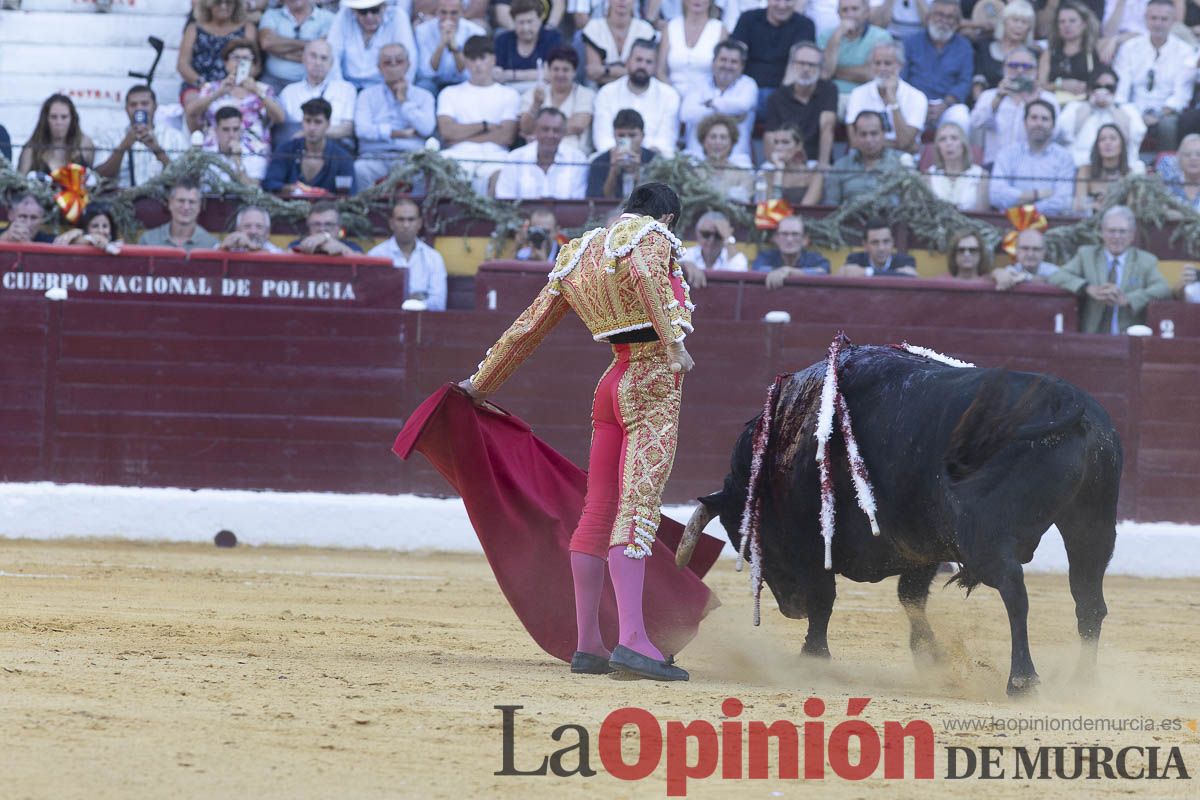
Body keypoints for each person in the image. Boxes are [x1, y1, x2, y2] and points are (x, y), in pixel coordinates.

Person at [457, 182, 694, 682]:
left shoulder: (580, 252)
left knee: (598, 510)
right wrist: (673, 344)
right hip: (651, 381)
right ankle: (632, 639)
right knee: (637, 508)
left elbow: (528, 327)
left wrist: (481, 384)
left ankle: (589, 643)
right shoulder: (653, 237)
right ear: (669, 218)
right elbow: (651, 274)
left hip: (610, 383)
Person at [1049, 205, 1172, 333]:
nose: (1116, 236)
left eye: (1122, 231)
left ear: (1132, 235)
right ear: (1102, 233)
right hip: (1092, 335)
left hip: (1128, 337)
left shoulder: (1145, 260)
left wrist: (1129, 299)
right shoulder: (1086, 255)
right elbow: (1057, 276)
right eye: (1111, 231)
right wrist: (1087, 288)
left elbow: (1163, 289)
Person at [186, 39, 286, 182]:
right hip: (215, 147)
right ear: (226, 63)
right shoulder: (212, 88)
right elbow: (191, 112)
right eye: (235, 58)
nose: (240, 62)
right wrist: (218, 93)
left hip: (253, 150)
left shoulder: (263, 89)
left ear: (254, 65)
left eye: (246, 58)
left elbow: (280, 118)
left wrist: (257, 92)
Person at [437, 35, 521, 193]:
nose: (477, 64)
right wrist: (485, 126)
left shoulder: (509, 94)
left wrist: (461, 134)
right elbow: (447, 132)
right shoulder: (449, 93)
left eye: (482, 58)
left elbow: (506, 137)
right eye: (472, 59)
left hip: (496, 155)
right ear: (466, 61)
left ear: (493, 60)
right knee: (443, 170)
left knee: (503, 177)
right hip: (458, 154)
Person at [1112, 0, 1194, 152]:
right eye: (1153, 18)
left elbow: (1181, 94)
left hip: (1166, 112)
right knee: (1120, 120)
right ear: (1145, 19)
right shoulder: (1129, 48)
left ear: (1173, 21)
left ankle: (1166, 170)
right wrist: (1132, 113)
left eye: (1164, 19)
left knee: (1168, 125)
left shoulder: (1185, 52)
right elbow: (1121, 90)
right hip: (1133, 109)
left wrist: (1159, 114)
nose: (1158, 23)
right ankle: (1128, 168)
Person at [354, 45, 438, 193]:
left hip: (411, 157)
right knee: (360, 169)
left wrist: (404, 102)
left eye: (398, 61)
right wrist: (399, 133)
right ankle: (365, 213)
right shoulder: (366, 95)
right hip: (375, 156)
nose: (393, 66)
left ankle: (414, 215)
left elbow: (426, 128)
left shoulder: (424, 96)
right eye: (387, 62)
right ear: (379, 67)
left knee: (422, 170)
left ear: (408, 65)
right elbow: (362, 130)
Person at [968, 46, 1058, 166]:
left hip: (1034, 165)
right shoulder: (989, 96)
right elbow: (976, 122)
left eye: (1026, 67)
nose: (1020, 71)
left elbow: (1055, 133)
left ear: (1035, 71)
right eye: (1014, 66)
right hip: (996, 164)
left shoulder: (1047, 99)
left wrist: (1033, 104)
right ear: (1004, 68)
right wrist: (998, 98)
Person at [592, 39, 682, 156]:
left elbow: (665, 141)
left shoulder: (669, 95)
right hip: (613, 159)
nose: (642, 66)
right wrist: (623, 155)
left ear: (655, 66)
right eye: (638, 60)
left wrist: (640, 157)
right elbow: (603, 140)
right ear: (627, 61)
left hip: (654, 162)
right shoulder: (606, 93)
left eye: (649, 62)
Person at [989, 100, 1076, 215]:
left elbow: (1062, 201)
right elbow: (995, 195)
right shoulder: (1007, 154)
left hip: (1050, 224)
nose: (1039, 123)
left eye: (1045, 119)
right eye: (1034, 118)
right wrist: (1037, 195)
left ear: (1053, 125)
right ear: (1025, 122)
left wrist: (1023, 207)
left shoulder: (1064, 158)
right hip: (1009, 223)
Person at [730, 0, 816, 116]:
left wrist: (781, 97)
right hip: (746, 88)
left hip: (783, 90)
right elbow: (736, 56)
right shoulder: (748, 19)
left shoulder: (805, 25)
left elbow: (797, 65)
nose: (782, 6)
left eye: (788, 1)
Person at [93, 86, 189, 189]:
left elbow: (184, 180)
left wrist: (157, 150)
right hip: (120, 200)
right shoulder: (110, 137)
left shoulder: (174, 137)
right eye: (133, 105)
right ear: (126, 109)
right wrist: (123, 146)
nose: (139, 109)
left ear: (155, 106)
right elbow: (100, 178)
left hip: (162, 200)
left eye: (145, 104)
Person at [844, 40, 927, 154]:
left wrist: (893, 101)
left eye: (887, 63)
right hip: (863, 159)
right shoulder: (858, 94)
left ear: (900, 66)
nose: (881, 68)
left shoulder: (917, 97)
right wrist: (899, 144)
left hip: (902, 162)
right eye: (877, 63)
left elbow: (904, 142)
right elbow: (854, 141)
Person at [901, 0, 972, 132]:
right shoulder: (910, 42)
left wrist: (945, 104)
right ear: (928, 18)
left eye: (950, 17)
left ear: (957, 23)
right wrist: (920, 104)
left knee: (961, 116)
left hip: (947, 106)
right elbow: (902, 78)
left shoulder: (964, 47)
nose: (944, 20)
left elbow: (965, 82)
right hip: (914, 104)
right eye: (939, 15)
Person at [764, 41, 838, 167]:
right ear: (792, 65)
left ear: (820, 68)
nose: (806, 69)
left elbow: (827, 126)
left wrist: (823, 165)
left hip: (815, 161)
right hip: (785, 162)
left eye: (812, 65)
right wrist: (778, 165)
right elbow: (770, 137)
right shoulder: (776, 97)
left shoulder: (829, 90)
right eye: (801, 63)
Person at [368, 198, 448, 311]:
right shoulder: (375, 256)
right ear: (391, 223)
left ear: (419, 223)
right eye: (401, 219)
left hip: (422, 324)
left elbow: (438, 304)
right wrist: (414, 299)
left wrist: (400, 301)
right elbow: (371, 300)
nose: (406, 225)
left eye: (411, 219)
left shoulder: (434, 258)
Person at [264, 98, 355, 194]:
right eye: (308, 121)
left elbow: (349, 195)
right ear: (302, 122)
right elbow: (269, 183)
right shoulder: (286, 149)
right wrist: (289, 189)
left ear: (328, 124)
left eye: (318, 122)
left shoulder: (342, 158)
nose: (312, 128)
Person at [493, 108, 589, 200]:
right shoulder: (515, 158)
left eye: (556, 130)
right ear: (535, 130)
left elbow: (578, 203)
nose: (550, 135)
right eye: (545, 129)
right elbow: (505, 199)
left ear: (564, 133)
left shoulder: (577, 159)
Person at [1058, 68, 1146, 168]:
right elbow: (1064, 133)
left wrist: (1112, 108)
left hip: (1118, 166)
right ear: (1089, 88)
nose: (1103, 91)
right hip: (1079, 165)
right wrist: (1090, 105)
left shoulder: (1128, 109)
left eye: (1109, 88)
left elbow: (1135, 136)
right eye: (1097, 87)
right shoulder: (1074, 107)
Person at [518, 47, 596, 155]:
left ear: (574, 72)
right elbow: (525, 128)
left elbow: (578, 125)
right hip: (536, 153)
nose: (560, 74)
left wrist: (539, 131)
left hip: (574, 154)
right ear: (549, 70)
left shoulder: (586, 94)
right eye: (556, 69)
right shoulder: (533, 94)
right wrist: (536, 104)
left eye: (565, 70)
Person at [327, 0, 419, 90]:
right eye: (363, 11)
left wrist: (401, 87)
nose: (369, 16)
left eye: (375, 10)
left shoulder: (397, 17)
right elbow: (332, 54)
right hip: (348, 86)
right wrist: (339, 87)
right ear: (353, 11)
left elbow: (408, 56)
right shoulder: (343, 16)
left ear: (384, 7)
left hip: (385, 87)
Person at [278, 40, 358, 143]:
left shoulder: (346, 89)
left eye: (324, 58)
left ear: (331, 63)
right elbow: (282, 128)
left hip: (335, 147)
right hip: (297, 148)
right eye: (313, 56)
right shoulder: (288, 92)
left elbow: (347, 129)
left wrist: (309, 134)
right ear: (304, 59)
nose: (318, 62)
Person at [178, 0, 257, 103]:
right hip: (199, 85)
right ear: (208, 4)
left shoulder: (247, 28)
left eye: (229, 2)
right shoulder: (194, 28)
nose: (223, 6)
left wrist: (237, 82)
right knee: (193, 103)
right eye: (218, 2)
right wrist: (203, 85)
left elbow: (255, 64)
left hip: (236, 84)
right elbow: (183, 65)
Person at [823, 110, 909, 204]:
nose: (868, 140)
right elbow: (831, 207)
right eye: (863, 134)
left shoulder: (902, 163)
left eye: (874, 133)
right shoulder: (840, 167)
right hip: (850, 217)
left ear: (884, 134)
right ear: (855, 136)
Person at [818, 0, 893, 104]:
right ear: (838, 14)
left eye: (855, 9)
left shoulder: (881, 37)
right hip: (830, 98)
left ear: (866, 12)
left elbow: (871, 74)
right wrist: (837, 35)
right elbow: (824, 73)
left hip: (866, 99)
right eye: (845, 10)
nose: (850, 14)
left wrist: (834, 71)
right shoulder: (825, 36)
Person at [659, 0, 730, 101]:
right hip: (670, 96)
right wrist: (673, 95)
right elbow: (660, 71)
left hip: (706, 98)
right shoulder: (671, 26)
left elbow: (722, 71)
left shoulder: (719, 29)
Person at [257, 0, 335, 91]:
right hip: (273, 81)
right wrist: (310, 44)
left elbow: (323, 52)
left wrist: (279, 52)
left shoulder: (329, 18)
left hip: (311, 83)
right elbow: (267, 43)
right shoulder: (271, 14)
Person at [415, 0, 488, 94]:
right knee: (423, 86)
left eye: (453, 13)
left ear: (462, 12)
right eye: (443, 12)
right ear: (436, 11)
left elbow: (469, 73)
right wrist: (441, 45)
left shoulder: (476, 32)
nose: (447, 18)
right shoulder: (422, 30)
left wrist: (455, 48)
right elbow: (426, 72)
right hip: (434, 82)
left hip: (462, 82)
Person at [582, 0, 658, 88]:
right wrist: (630, 72)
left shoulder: (645, 30)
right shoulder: (594, 28)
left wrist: (606, 70)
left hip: (638, 90)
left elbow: (646, 73)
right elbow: (593, 73)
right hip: (600, 91)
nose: (622, 1)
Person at [1038, 1, 1100, 106]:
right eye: (1062, 22)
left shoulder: (1093, 52)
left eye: (1072, 21)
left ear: (1084, 24)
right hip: (1053, 105)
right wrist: (1060, 85)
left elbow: (1101, 84)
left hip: (1083, 105)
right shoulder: (1049, 53)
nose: (1067, 25)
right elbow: (1040, 86)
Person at [1073, 123, 1143, 215]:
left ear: (1122, 144)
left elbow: (1133, 209)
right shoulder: (1085, 171)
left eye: (1113, 139)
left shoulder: (1130, 174)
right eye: (1102, 139)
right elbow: (1078, 206)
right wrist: (1093, 206)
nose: (1107, 143)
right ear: (1097, 146)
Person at [587, 108, 658, 198]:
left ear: (642, 136)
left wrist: (638, 173)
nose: (627, 140)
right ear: (614, 135)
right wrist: (613, 171)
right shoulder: (599, 163)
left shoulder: (654, 161)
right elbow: (597, 202)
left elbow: (656, 201)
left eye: (632, 135)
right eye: (621, 135)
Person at [972, 0, 1037, 98]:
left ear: (1029, 28)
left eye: (1024, 22)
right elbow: (977, 85)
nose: (1019, 26)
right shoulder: (985, 48)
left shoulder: (1032, 54)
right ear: (1004, 22)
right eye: (1015, 20)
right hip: (987, 103)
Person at [17, 94, 95, 176]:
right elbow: (20, 184)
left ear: (72, 119)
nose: (59, 122)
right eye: (54, 117)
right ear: (45, 119)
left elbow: (94, 181)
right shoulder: (31, 150)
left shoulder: (85, 144)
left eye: (64, 117)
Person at [494, 0, 563, 87]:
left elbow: (550, 74)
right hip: (509, 92)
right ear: (513, 22)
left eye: (530, 22)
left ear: (540, 20)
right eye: (521, 22)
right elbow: (496, 73)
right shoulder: (502, 40)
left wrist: (512, 75)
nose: (526, 28)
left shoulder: (552, 38)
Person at [139, 179, 221, 251]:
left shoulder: (211, 245)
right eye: (181, 201)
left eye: (192, 202)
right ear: (170, 203)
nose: (186, 207)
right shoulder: (148, 241)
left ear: (199, 206)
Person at [752, 214, 831, 288]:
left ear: (805, 240)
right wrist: (779, 271)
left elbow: (823, 271)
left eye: (795, 234)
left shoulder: (814, 259)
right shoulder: (766, 256)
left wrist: (789, 271)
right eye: (784, 234)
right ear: (775, 238)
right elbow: (757, 269)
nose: (789, 239)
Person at [925, 121, 987, 212]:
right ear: (938, 147)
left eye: (954, 138)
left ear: (963, 144)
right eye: (942, 139)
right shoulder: (928, 175)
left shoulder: (981, 175)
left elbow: (983, 216)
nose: (948, 143)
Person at [757, 123, 823, 206]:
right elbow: (772, 207)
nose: (779, 147)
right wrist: (779, 172)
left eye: (785, 142)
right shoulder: (767, 175)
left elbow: (806, 208)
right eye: (776, 142)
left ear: (799, 146)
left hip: (805, 218)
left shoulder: (814, 175)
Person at [679, 210, 748, 288]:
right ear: (697, 233)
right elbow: (671, 268)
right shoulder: (687, 254)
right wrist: (684, 265)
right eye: (706, 234)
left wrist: (728, 238)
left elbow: (738, 272)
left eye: (718, 236)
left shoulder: (734, 257)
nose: (711, 240)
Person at [694, 113, 754, 202]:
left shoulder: (743, 175)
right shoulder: (693, 173)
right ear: (703, 141)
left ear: (732, 143)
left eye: (723, 137)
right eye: (713, 137)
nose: (718, 142)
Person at [204, 106, 263, 187]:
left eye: (235, 129)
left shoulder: (254, 157)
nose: (231, 135)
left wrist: (238, 161)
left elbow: (253, 191)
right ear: (216, 131)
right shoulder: (205, 156)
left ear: (241, 130)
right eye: (226, 129)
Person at [840, 218, 918, 276]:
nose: (881, 248)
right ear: (865, 245)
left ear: (892, 242)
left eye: (886, 241)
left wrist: (867, 272)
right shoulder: (855, 259)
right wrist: (896, 273)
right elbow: (845, 272)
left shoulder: (905, 260)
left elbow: (911, 274)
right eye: (875, 242)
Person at [992, 227, 1058, 289]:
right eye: (1025, 248)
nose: (1030, 254)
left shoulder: (1055, 272)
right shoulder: (1011, 270)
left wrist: (1026, 277)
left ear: (1044, 252)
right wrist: (997, 273)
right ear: (1016, 250)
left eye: (1036, 249)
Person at [289, 200, 363, 254]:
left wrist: (342, 249)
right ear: (309, 226)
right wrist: (302, 248)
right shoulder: (296, 244)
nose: (322, 229)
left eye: (329, 224)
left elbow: (363, 263)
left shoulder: (351, 246)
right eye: (316, 224)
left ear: (338, 227)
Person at [1157, 133, 1200, 211]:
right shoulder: (1167, 185)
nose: (1193, 158)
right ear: (1179, 159)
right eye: (1187, 154)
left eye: (1198, 154)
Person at [218, 205, 284, 252]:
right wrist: (224, 248)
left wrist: (251, 247)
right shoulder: (228, 247)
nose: (253, 231)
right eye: (247, 226)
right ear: (237, 230)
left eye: (259, 226)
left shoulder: (277, 253)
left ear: (267, 232)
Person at [53, 206, 122, 251]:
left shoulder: (118, 245)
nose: (101, 231)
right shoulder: (77, 239)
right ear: (85, 227)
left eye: (105, 226)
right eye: (95, 226)